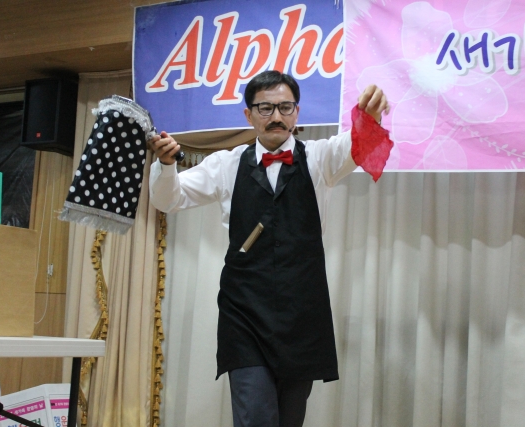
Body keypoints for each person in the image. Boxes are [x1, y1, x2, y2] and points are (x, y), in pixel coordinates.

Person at [148, 70, 390, 427]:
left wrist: (370, 117)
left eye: (285, 107)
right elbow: (168, 199)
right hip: (245, 314)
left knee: (290, 419)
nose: (276, 116)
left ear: (297, 112)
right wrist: (166, 165)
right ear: (249, 115)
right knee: (256, 418)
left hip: (301, 313)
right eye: (265, 108)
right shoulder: (227, 164)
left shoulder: (321, 158)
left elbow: (357, 144)